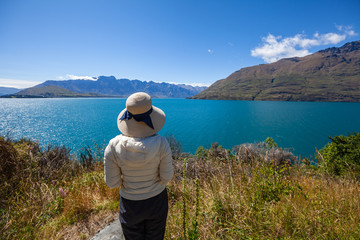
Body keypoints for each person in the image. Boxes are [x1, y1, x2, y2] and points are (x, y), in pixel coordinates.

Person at [104, 92, 174, 240]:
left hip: (130, 205)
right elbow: (167, 177)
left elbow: (112, 183)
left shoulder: (112, 146)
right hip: (157, 201)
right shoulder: (162, 143)